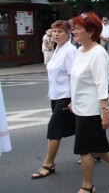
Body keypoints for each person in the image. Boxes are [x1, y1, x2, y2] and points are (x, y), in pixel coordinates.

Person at [70, 12, 109, 192]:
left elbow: (101, 84)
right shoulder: (80, 51)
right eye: (74, 28)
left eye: (78, 29)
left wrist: (105, 112)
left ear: (90, 32)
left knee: (85, 149)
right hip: (80, 107)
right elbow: (76, 80)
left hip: (92, 109)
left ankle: (87, 186)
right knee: (96, 145)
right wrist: (73, 101)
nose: (74, 32)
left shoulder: (98, 54)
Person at [31, 21, 77, 179]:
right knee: (77, 125)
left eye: (60, 31)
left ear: (69, 33)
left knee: (54, 129)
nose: (56, 34)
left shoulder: (70, 51)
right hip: (56, 95)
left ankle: (48, 164)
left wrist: (73, 99)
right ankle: (95, 150)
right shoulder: (58, 49)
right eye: (54, 31)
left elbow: (74, 76)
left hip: (66, 96)